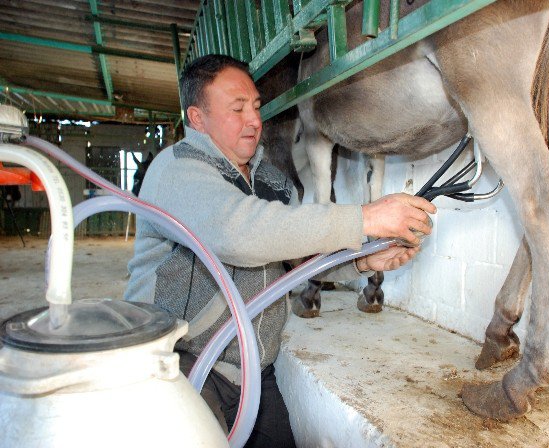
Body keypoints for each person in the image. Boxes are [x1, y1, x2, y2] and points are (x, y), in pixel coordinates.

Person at [124, 54, 436, 447]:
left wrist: (361, 260)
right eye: (237, 109)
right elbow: (242, 233)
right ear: (198, 118)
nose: (254, 120)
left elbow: (296, 257)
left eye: (255, 107)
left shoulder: (271, 179)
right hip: (179, 366)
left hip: (254, 371)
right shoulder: (177, 169)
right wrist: (366, 218)